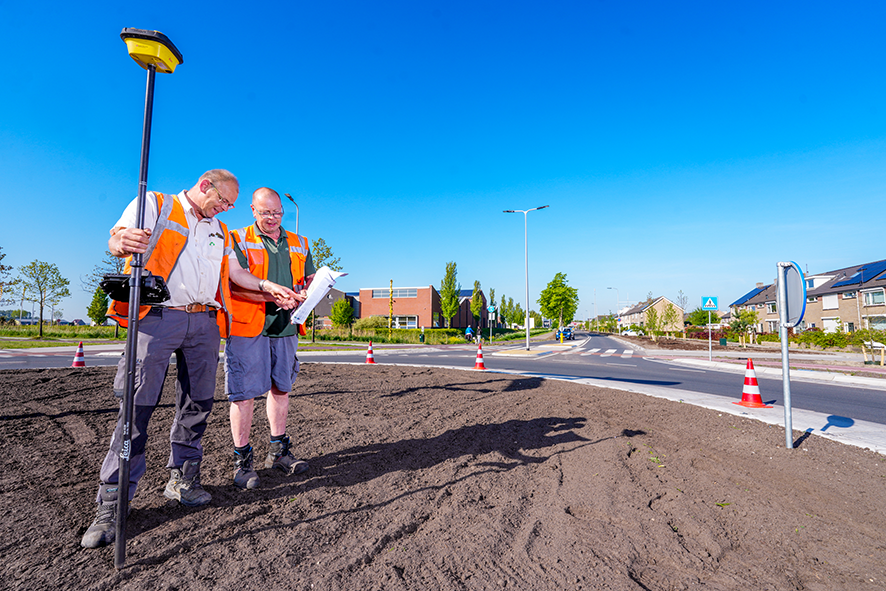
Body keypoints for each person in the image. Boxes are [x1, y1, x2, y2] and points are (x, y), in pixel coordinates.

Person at [80, 170, 292, 549]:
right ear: (205, 185)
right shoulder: (156, 204)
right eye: (224, 201)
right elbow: (117, 238)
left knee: (198, 404)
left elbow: (235, 272)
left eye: (230, 205)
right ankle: (113, 502)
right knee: (136, 406)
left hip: (205, 322)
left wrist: (264, 285)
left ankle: (183, 479)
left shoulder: (220, 230)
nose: (227, 209)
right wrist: (119, 242)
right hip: (157, 317)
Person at [224, 187, 315, 489]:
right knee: (244, 393)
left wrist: (309, 292)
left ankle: (278, 452)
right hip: (248, 325)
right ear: (252, 210)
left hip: (286, 325)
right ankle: (242, 461)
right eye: (266, 213)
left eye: (278, 212)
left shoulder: (300, 242)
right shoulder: (236, 238)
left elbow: (308, 280)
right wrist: (270, 291)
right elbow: (234, 280)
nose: (273, 218)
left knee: (281, 388)